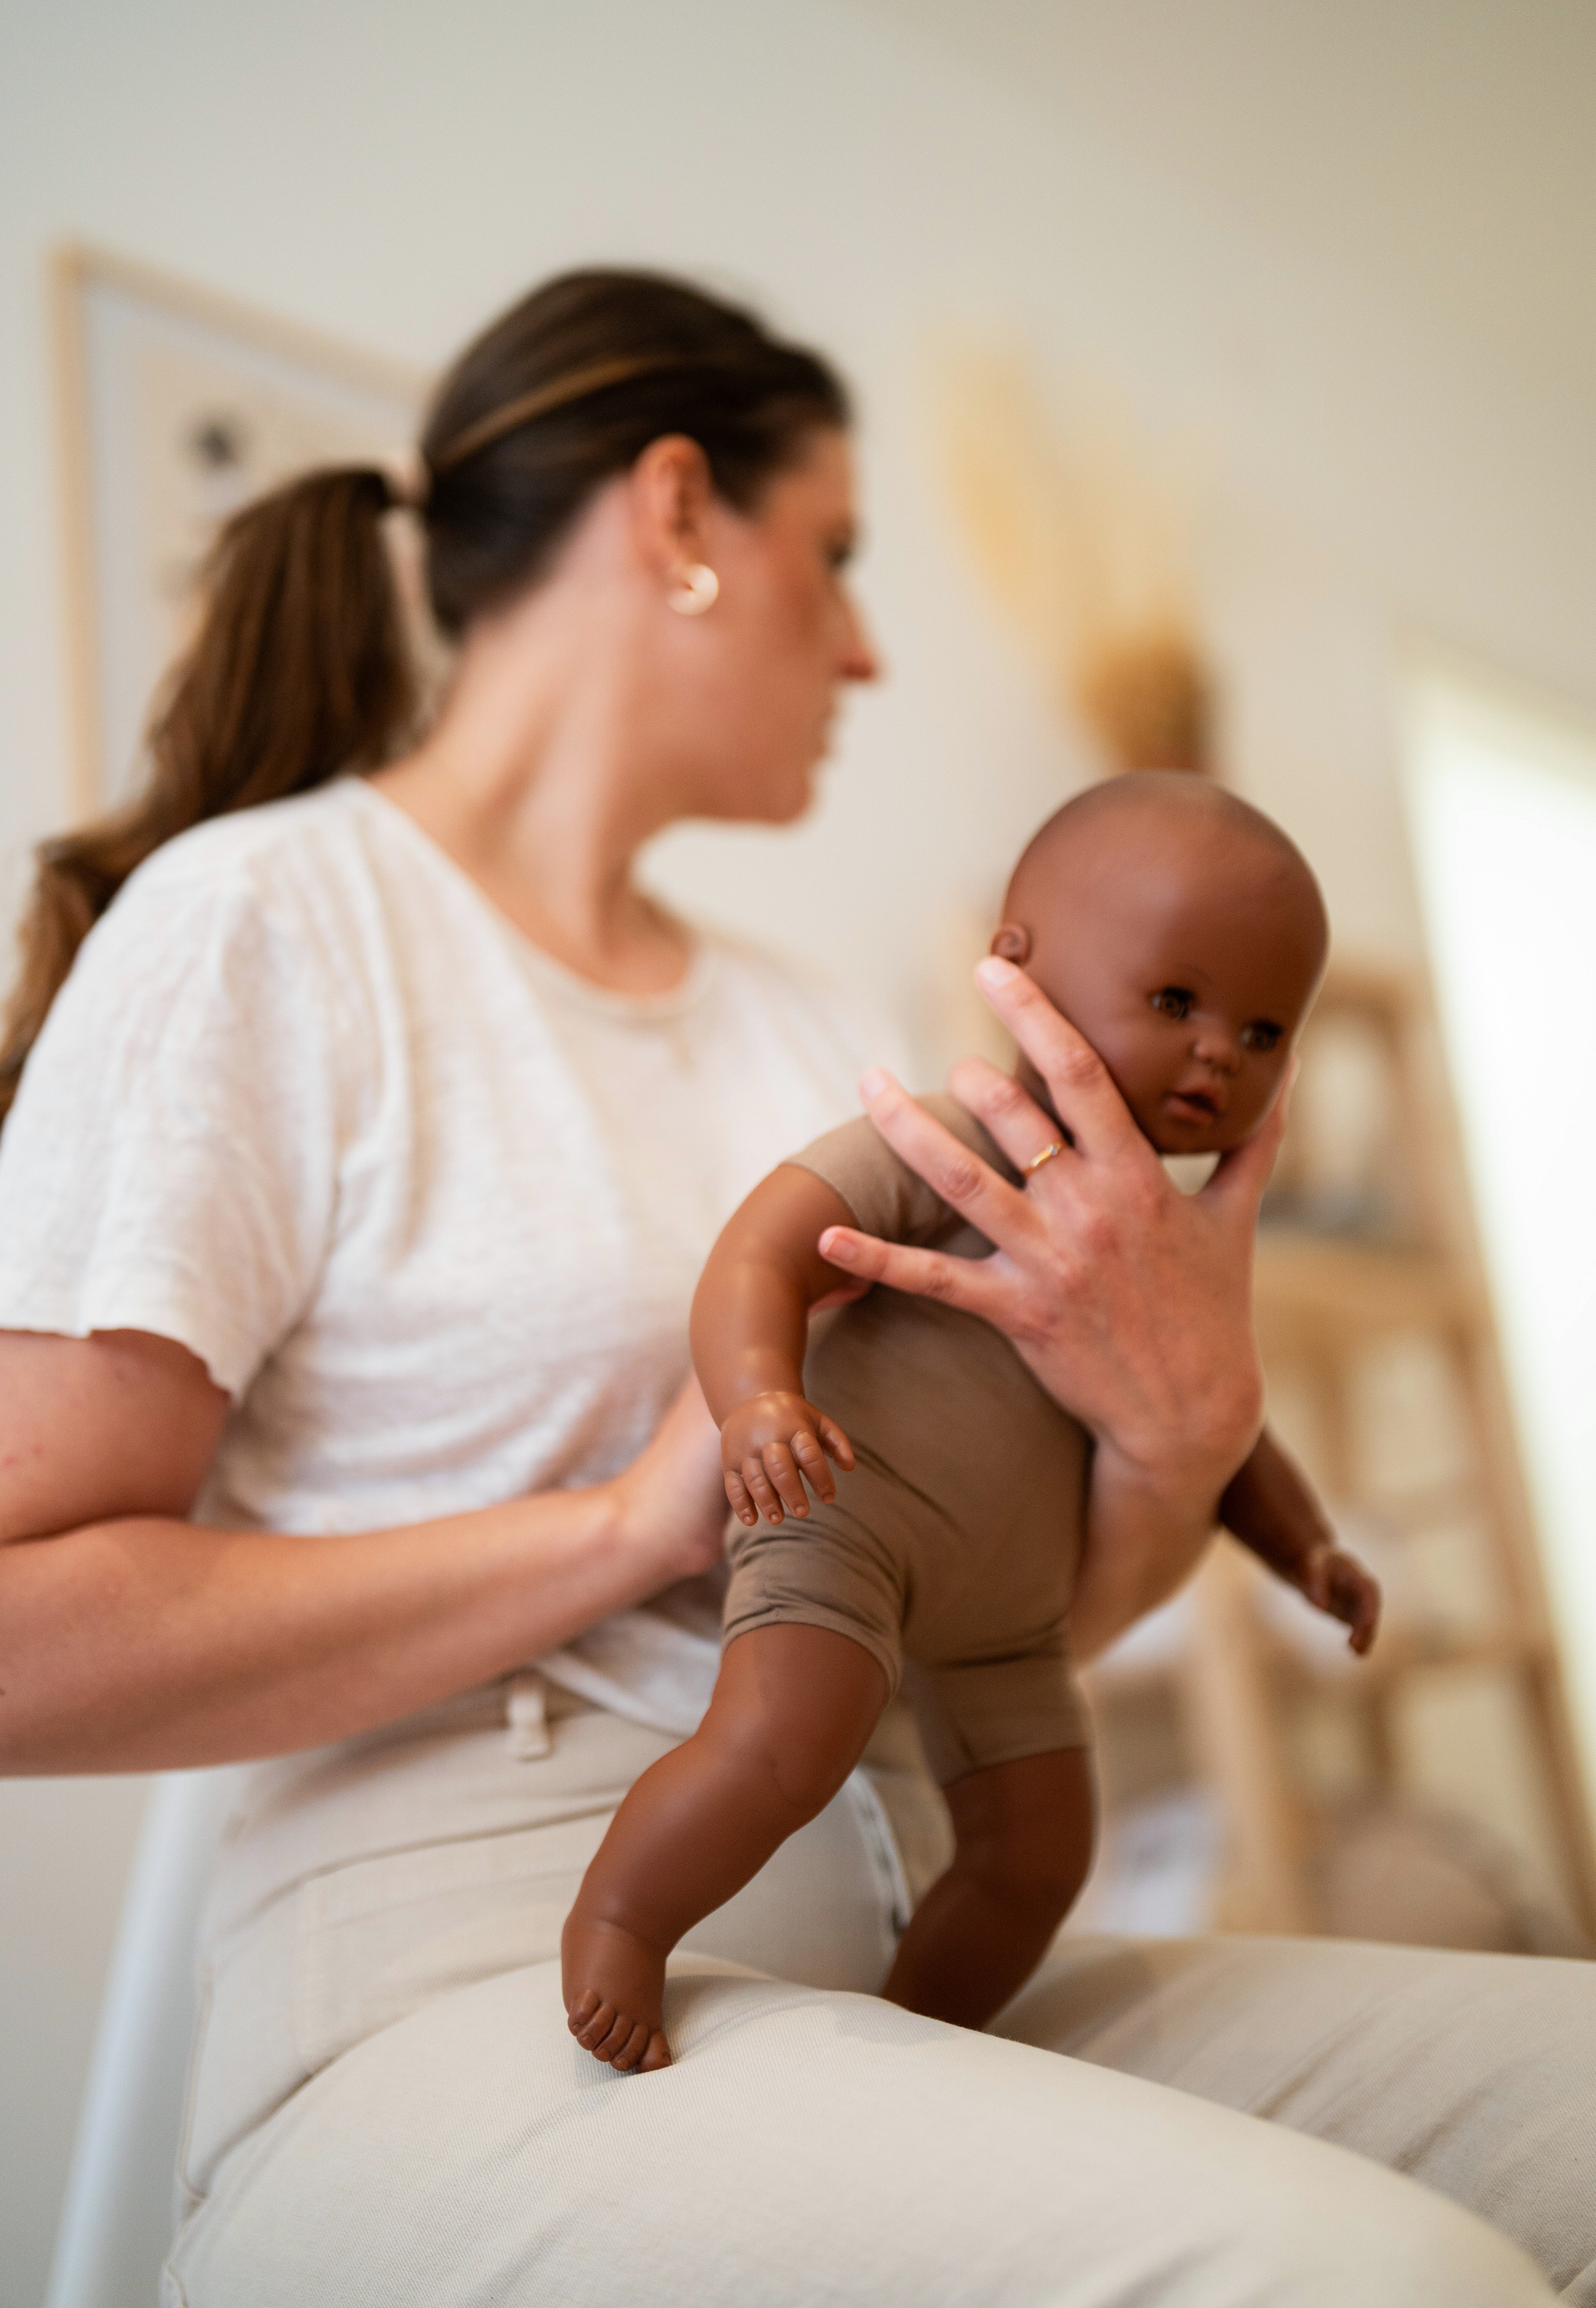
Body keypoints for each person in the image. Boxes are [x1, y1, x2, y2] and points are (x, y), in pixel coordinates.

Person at [0, 267, 1585, 2307]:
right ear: (679, 514)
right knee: (1370, 2283)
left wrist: (1180, 1436)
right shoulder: (269, 919)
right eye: (833, 554)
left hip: (918, 1952)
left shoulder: (806, 1017)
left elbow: (1002, 1614)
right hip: (487, 1985)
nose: (865, 645)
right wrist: (621, 1528)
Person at [563, 775, 1381, 2071]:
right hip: (843, 1516)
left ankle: (925, 2040)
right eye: (1177, 1001)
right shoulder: (947, 1150)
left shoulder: (1172, 1258)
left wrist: (1307, 1547)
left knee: (1042, 1854)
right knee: (783, 1745)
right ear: (1020, 967)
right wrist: (758, 1397)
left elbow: (1226, 1436)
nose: (1220, 1051)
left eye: (1265, 1030)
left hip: (1011, 1625)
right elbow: (758, 1254)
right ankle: (621, 1919)